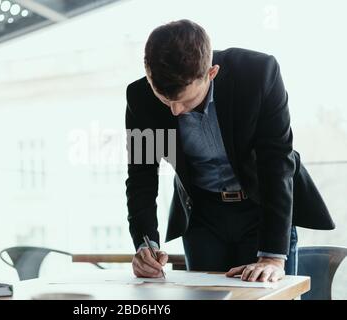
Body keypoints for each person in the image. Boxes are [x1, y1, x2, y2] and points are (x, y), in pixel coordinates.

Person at [125, 19, 334, 282]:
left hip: (261, 208)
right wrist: (146, 245)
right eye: (164, 99)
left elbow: (276, 163)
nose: (175, 111)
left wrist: (271, 257)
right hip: (202, 215)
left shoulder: (257, 75)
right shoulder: (142, 98)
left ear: (211, 73)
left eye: (185, 100)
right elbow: (142, 176)